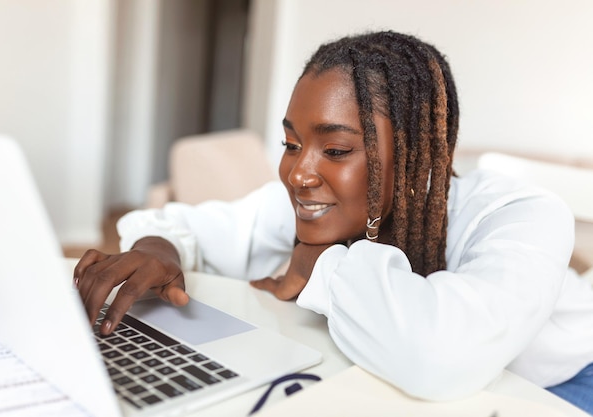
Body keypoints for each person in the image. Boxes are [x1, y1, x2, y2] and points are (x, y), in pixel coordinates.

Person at [74, 30, 593, 413]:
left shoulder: (521, 215)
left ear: (417, 156)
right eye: (291, 145)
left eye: (337, 148)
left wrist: (324, 261)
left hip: (561, 385)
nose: (299, 173)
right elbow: (187, 225)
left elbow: (441, 358)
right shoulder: (315, 203)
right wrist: (157, 250)